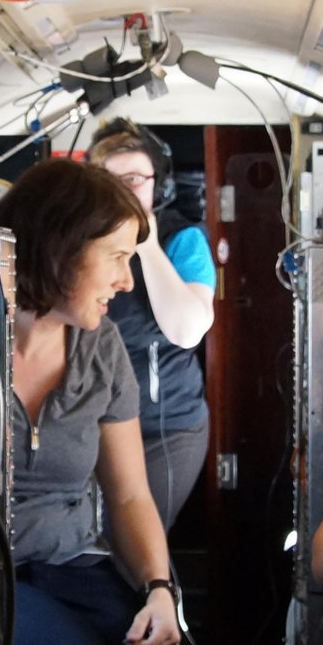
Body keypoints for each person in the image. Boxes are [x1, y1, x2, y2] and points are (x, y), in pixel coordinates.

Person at [0, 159, 216, 645]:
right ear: (62, 249)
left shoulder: (101, 347)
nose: (127, 281)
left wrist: (159, 591)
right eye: (117, 257)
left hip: (70, 562)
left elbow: (131, 494)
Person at [86, 119, 218, 531]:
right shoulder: (80, 241)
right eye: (110, 180)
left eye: (135, 179)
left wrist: (147, 246)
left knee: (140, 537)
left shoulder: (184, 240)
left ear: (157, 186)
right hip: (93, 420)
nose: (123, 191)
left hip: (167, 426)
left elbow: (187, 330)